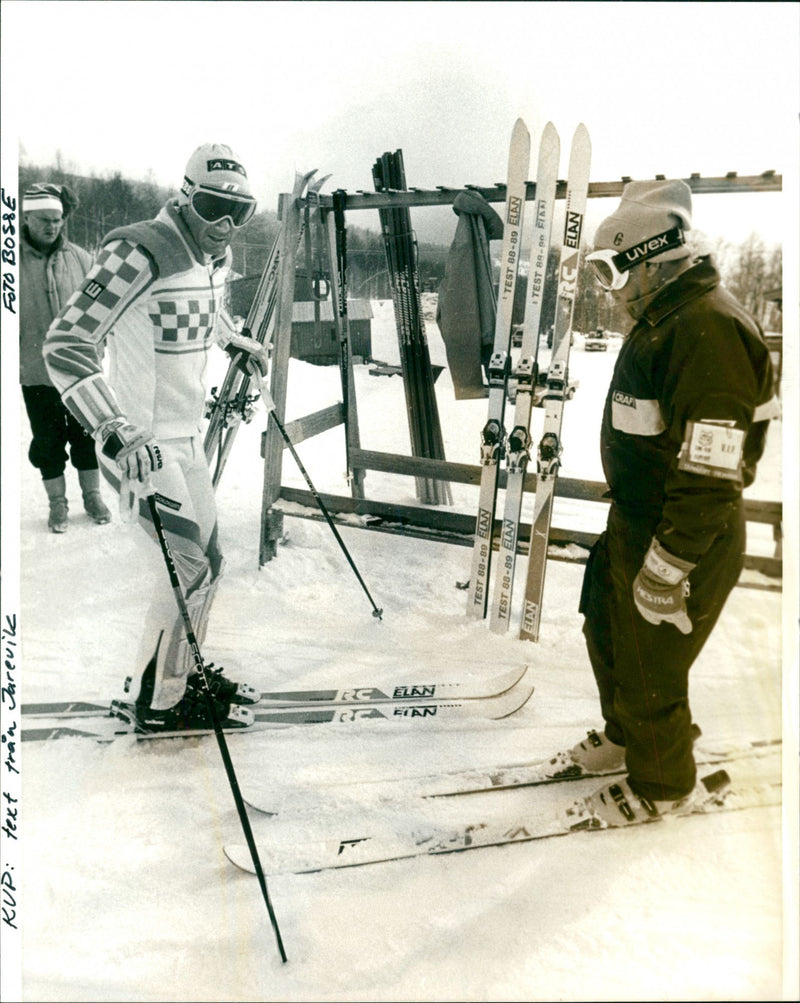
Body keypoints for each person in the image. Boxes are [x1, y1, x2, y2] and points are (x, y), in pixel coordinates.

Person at [559, 179, 779, 827]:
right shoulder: (665, 316)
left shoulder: (706, 329)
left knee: (652, 661)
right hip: (639, 519)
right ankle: (627, 738)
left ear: (650, 261)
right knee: (606, 624)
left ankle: (662, 784)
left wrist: (669, 563)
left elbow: (711, 474)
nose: (606, 287)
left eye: (609, 269)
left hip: (687, 530)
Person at [43, 144, 270, 732]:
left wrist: (232, 339)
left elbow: (197, 309)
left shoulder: (205, 255)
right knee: (187, 565)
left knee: (210, 563)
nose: (225, 226)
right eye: (215, 207)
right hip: (138, 445)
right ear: (186, 195)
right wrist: (112, 426)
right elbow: (65, 345)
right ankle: (159, 701)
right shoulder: (139, 248)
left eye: (239, 212)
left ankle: (178, 674)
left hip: (185, 436)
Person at [20, 182, 111, 532]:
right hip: (36, 371)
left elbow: (102, 312)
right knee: (47, 441)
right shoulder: (10, 261)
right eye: (44, 219)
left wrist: (97, 351)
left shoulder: (82, 259)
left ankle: (92, 497)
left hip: (80, 371)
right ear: (26, 217)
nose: (52, 226)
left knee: (87, 436)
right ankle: (57, 504)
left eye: (57, 219)